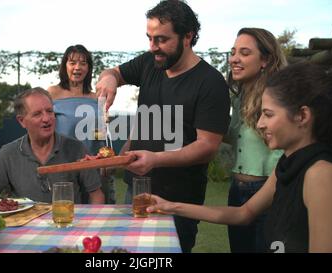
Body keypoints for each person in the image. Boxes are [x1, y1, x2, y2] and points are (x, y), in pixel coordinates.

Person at [147, 62, 332, 253]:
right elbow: (244, 213)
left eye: (268, 114)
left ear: (302, 116)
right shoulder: (288, 164)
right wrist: (169, 206)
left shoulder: (321, 174)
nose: (260, 124)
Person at [96, 0, 231, 252]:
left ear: (188, 36)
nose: (152, 47)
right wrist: (109, 80)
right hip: (135, 187)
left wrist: (155, 159)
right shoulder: (150, 62)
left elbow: (207, 147)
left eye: (161, 39)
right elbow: (112, 72)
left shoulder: (210, 82)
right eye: (149, 38)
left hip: (178, 200)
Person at [0, 87, 105, 204]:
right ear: (22, 121)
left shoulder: (76, 148)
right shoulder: (8, 154)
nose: (46, 118)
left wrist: (93, 225)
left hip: (67, 224)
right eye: (37, 114)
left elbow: (96, 194)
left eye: (49, 111)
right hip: (24, 227)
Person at [225, 28, 287, 252]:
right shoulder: (238, 96)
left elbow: (286, 149)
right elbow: (237, 137)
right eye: (233, 52)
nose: (234, 59)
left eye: (244, 53)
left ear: (265, 60)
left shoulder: (278, 96)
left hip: (268, 192)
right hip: (236, 190)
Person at [47, 44, 116, 204]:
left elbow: (102, 133)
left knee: (96, 215)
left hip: (93, 166)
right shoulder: (52, 93)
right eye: (72, 62)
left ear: (89, 68)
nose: (77, 67)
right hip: (62, 166)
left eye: (83, 63)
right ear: (65, 66)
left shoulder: (96, 98)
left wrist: (106, 159)